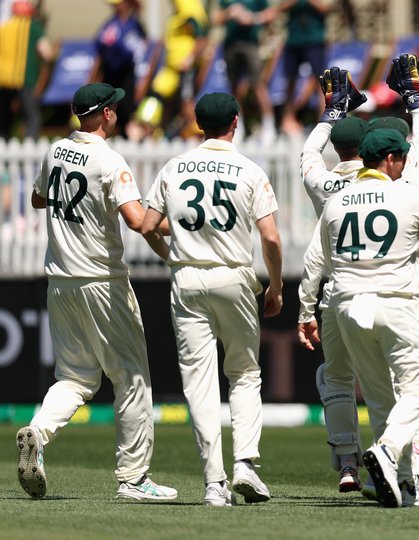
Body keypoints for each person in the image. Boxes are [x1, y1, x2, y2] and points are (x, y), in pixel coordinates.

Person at [298, 58, 419, 504]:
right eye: (399, 153)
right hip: (404, 296)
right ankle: (405, 456)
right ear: (389, 155)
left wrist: (329, 113)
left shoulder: (328, 192)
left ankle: (386, 471)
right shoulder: (410, 183)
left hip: (342, 301)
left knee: (370, 392)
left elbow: (312, 256)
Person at [16, 82, 176, 501]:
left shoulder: (55, 151)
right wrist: (179, 221)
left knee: (74, 376)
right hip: (102, 282)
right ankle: (134, 478)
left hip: (60, 280)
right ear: (104, 114)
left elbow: (37, 199)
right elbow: (139, 221)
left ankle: (37, 432)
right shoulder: (109, 159)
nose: (118, 113)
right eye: (115, 108)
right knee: (132, 377)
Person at [140, 92, 283, 506]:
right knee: (243, 373)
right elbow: (270, 237)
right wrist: (275, 285)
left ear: (198, 124)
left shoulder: (174, 166)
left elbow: (148, 225)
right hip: (234, 277)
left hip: (187, 278)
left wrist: (174, 254)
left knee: (199, 384)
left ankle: (213, 484)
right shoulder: (249, 169)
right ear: (235, 122)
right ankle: (245, 465)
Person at [134, 0, 209, 139]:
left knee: (186, 101)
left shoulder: (190, 13)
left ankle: (196, 131)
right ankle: (153, 130)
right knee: (157, 96)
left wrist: (190, 58)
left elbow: (202, 38)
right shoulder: (175, 17)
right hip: (170, 68)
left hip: (186, 68)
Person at [213, 0, 276, 143]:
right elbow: (215, 19)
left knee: (257, 84)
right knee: (234, 87)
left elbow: (271, 14)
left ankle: (268, 125)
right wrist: (229, 13)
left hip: (251, 44)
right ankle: (237, 125)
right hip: (231, 44)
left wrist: (252, 18)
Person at [93, 0, 147, 138]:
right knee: (108, 112)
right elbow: (100, 52)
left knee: (127, 113)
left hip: (128, 76)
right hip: (110, 76)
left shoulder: (134, 25)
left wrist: (142, 81)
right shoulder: (110, 24)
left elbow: (142, 55)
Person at [0, 0, 53, 139]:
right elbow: (47, 53)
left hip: (3, 80)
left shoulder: (4, 28)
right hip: (24, 79)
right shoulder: (33, 27)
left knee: (4, 118)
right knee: (32, 118)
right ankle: (30, 145)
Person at [277, 0, 331, 135]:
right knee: (290, 81)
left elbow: (326, 8)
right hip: (293, 40)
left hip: (315, 40)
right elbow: (281, 7)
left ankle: (324, 123)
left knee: (320, 82)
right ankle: (287, 120)